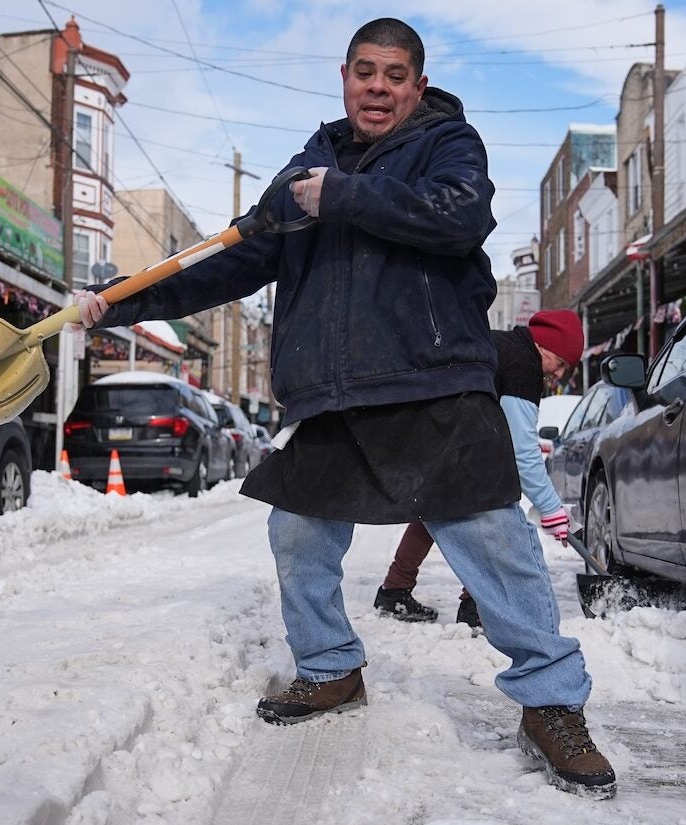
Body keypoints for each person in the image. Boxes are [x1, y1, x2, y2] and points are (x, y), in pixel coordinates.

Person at [70, 18, 615, 798]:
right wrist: (119, 304)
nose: (380, 87)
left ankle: (552, 703)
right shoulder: (302, 171)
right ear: (344, 76)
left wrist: (346, 197)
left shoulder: (449, 146)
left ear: (418, 86)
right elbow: (230, 260)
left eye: (396, 75)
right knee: (297, 530)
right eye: (367, 72)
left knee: (494, 542)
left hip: (435, 380)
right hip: (334, 390)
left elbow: (459, 219)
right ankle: (330, 667)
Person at [374, 311, 581, 628]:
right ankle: (474, 604)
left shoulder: (503, 345)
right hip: (448, 436)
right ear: (547, 347)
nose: (558, 374)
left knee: (435, 508)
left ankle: (396, 591)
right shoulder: (522, 365)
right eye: (562, 364)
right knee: (491, 508)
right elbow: (523, 450)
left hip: (428, 429)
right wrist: (551, 509)